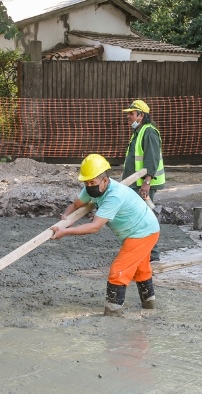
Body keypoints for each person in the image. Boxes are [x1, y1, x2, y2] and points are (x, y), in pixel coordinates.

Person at [51, 154, 160, 315]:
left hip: (143, 232)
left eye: (92, 183)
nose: (89, 186)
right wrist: (66, 219)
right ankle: (150, 308)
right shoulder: (92, 188)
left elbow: (95, 227)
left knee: (118, 272)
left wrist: (66, 231)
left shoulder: (114, 196)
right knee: (141, 270)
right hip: (137, 230)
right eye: (86, 183)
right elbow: (76, 204)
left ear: (105, 180)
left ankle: (112, 314)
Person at [121, 99, 165, 262]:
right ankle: (145, 251)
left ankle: (152, 254)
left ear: (141, 115)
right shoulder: (139, 131)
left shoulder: (149, 132)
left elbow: (151, 159)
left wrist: (147, 182)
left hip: (143, 184)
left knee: (145, 217)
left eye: (131, 114)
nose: (129, 117)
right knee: (139, 216)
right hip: (136, 183)